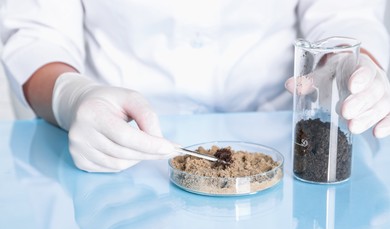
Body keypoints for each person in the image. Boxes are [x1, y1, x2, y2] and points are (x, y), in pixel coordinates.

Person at [1, 0, 389, 172]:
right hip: (121, 141)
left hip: (283, 136)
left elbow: (347, 12)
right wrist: (73, 97)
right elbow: (36, 34)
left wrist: (345, 61)